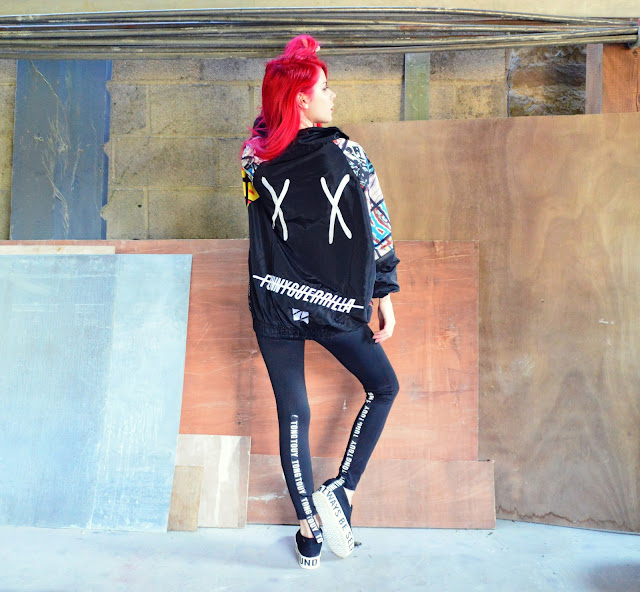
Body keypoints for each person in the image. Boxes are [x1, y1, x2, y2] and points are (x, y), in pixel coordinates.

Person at [240, 35, 400, 570]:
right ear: (302, 99)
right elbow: (377, 223)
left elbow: (262, 212)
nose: (333, 96)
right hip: (333, 300)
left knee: (294, 412)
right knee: (383, 387)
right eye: (324, 87)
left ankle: (309, 529)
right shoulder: (346, 152)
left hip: (274, 298)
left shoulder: (253, 157)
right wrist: (383, 291)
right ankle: (342, 490)